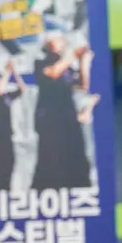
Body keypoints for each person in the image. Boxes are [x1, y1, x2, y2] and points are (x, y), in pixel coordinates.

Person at [31, 35, 94, 191]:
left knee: (75, 151)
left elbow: (82, 85)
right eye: (57, 40)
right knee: (51, 154)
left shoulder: (67, 67)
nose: (62, 43)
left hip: (67, 115)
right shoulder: (41, 63)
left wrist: (84, 61)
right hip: (49, 117)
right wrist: (74, 53)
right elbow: (53, 72)